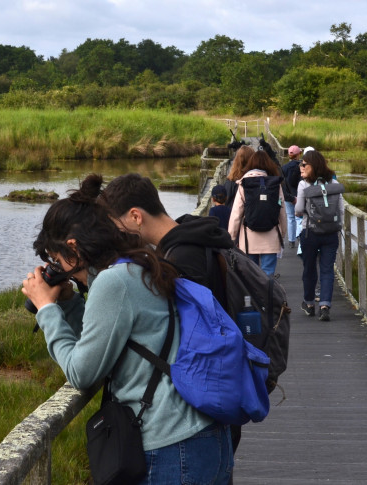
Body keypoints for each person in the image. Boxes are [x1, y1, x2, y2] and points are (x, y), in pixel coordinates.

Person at [22, 174, 233, 483]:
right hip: (203, 437)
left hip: (173, 447)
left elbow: (81, 372)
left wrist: (46, 309)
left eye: (57, 260)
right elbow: (106, 341)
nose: (60, 271)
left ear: (73, 247)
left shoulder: (114, 282)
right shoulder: (139, 263)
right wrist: (68, 303)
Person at [101, 172, 233, 308]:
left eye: (118, 226)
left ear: (136, 217)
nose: (119, 233)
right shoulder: (197, 234)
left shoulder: (180, 260)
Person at [295, 150, 344, 321]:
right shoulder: (334, 183)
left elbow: (298, 210)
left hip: (310, 232)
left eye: (304, 164)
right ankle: (324, 306)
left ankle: (309, 304)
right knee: (327, 270)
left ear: (312, 166)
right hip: (331, 233)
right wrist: (337, 226)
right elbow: (341, 209)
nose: (301, 167)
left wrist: (303, 212)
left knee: (309, 269)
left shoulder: (304, 185)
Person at [227, 149, 288, 277]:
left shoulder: (244, 183)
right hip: (271, 237)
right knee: (268, 274)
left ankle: (253, 291)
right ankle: (267, 290)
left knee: (250, 275)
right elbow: (282, 211)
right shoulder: (275, 184)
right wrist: (282, 233)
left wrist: (231, 237)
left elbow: (236, 214)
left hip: (248, 239)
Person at [281, 145, 303, 247]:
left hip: (288, 196)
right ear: (298, 154)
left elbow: (282, 183)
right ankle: (300, 239)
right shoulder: (302, 167)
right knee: (299, 218)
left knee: (290, 217)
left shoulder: (284, 168)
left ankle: (291, 240)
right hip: (300, 196)